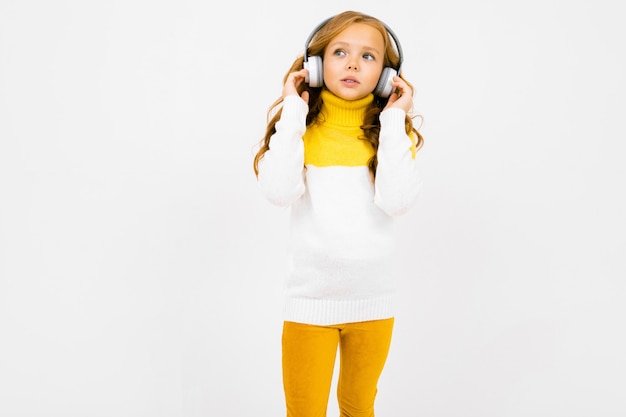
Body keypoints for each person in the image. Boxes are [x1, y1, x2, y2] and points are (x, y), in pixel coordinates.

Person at [253, 10, 424, 417]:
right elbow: (278, 192)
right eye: (340, 52)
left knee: (358, 408)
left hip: (374, 306)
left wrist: (396, 118)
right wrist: (293, 110)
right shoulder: (301, 132)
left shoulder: (391, 136)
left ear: (387, 75)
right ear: (314, 66)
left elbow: (398, 201)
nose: (351, 63)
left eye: (368, 56)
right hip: (310, 305)